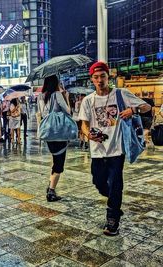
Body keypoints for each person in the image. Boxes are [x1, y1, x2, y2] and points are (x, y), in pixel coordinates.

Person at [79, 62, 151, 236]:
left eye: (102, 76)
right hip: (97, 150)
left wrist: (132, 110)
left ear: (108, 77)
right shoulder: (88, 100)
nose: (99, 80)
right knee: (99, 183)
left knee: (116, 184)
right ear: (92, 80)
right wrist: (89, 135)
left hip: (117, 150)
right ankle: (114, 203)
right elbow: (84, 125)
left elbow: (147, 107)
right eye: (96, 77)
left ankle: (112, 219)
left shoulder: (121, 94)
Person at [38, 75, 71, 202]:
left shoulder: (41, 96)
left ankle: (50, 185)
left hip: (48, 132)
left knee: (55, 159)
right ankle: (51, 191)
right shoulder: (57, 95)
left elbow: (41, 112)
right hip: (59, 133)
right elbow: (68, 111)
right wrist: (66, 98)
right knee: (59, 164)